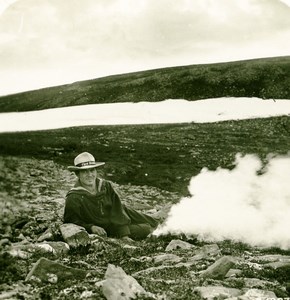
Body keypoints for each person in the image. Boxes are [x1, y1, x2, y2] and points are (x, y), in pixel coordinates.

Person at [64, 152, 159, 241]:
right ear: (78, 174)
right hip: (107, 229)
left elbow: (117, 210)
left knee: (128, 210)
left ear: (96, 171)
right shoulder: (73, 197)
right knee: (145, 229)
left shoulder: (105, 186)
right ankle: (156, 229)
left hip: (117, 220)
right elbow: (72, 222)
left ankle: (160, 224)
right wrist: (91, 227)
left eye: (92, 170)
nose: (90, 175)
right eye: (85, 171)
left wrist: (124, 233)